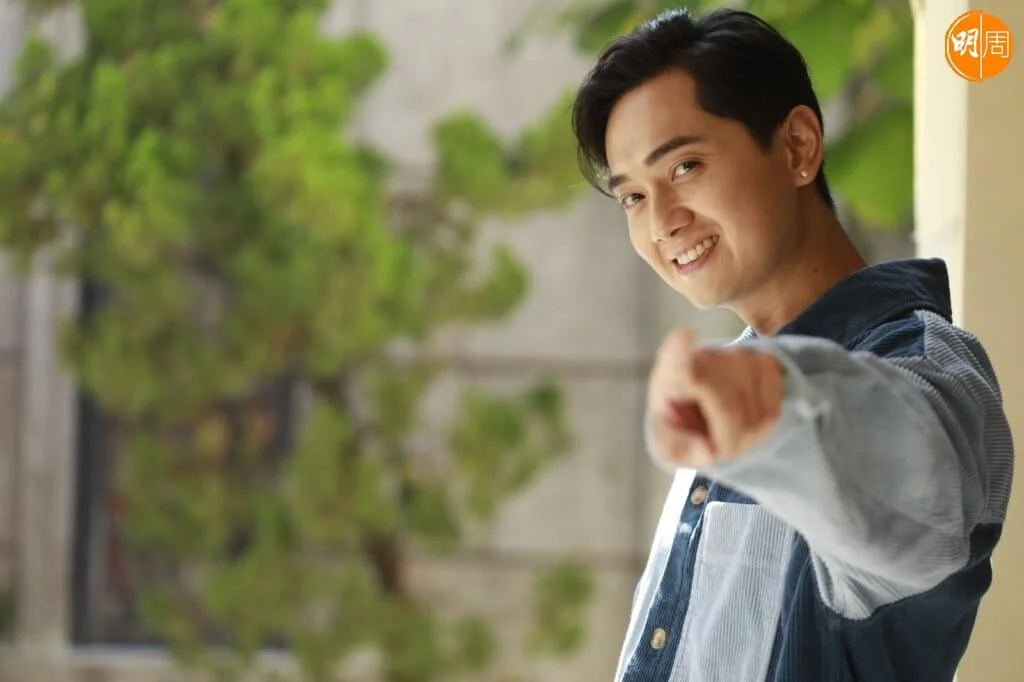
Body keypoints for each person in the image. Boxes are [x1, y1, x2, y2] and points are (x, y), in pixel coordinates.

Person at [569, 7, 1013, 682]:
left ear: (799, 148)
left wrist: (775, 404)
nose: (661, 222)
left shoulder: (920, 365)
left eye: (685, 166)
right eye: (632, 196)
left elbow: (916, 482)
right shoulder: (738, 378)